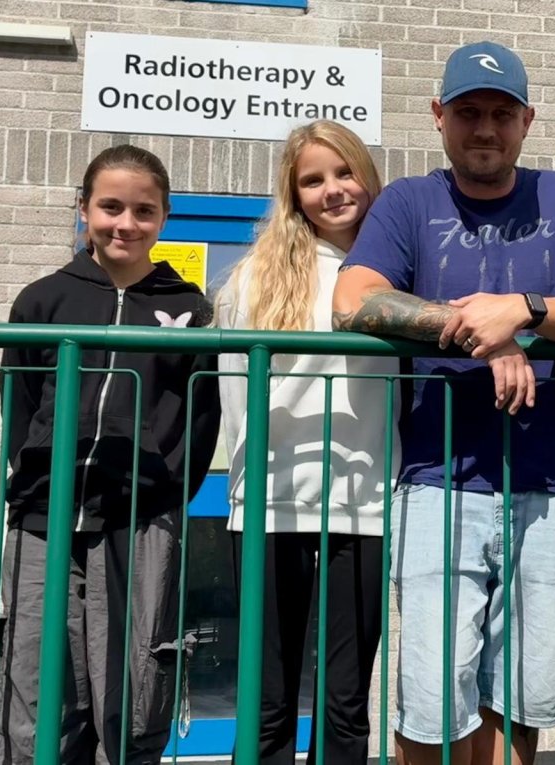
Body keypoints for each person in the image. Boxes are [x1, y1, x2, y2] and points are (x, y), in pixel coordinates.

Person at [332, 41, 555, 765]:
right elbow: (353, 299)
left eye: (501, 113)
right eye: (468, 112)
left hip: (548, 481)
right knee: (431, 689)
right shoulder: (408, 200)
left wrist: (519, 309)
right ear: (438, 117)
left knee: (523, 693)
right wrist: (482, 334)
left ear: (527, 120)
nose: (485, 128)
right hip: (436, 481)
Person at [0, 144, 221, 764]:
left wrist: (165, 492)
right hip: (43, 522)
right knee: (39, 680)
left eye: (143, 211)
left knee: (132, 685)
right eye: (111, 207)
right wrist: (39, 476)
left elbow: (201, 418)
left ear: (164, 217)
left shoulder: (189, 308)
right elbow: (21, 404)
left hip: (139, 522)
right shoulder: (43, 301)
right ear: (84, 208)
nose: (126, 223)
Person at [214, 120, 399, 764]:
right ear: (294, 195)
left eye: (345, 172)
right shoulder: (255, 276)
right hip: (272, 501)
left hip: (367, 503)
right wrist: (244, 489)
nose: (333, 190)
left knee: (347, 704)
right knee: (268, 701)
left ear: (368, 178)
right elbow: (235, 395)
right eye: (313, 180)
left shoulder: (398, 268)